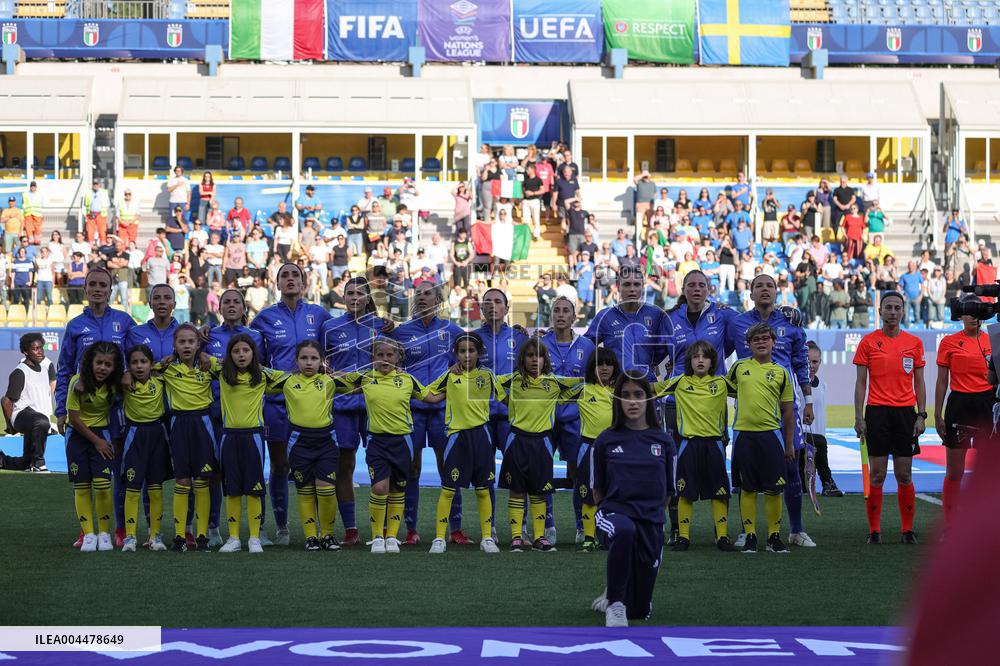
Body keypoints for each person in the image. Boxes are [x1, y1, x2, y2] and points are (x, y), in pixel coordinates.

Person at [727, 274, 814, 549]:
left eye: (770, 286)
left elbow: (801, 361)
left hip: (785, 406)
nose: (764, 290)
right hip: (751, 407)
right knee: (746, 473)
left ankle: (795, 530)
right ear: (750, 293)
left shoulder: (791, 321)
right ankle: (747, 531)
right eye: (759, 286)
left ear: (778, 292)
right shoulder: (736, 322)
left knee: (791, 466)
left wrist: (808, 399)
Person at [55, 268, 135, 548]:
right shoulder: (76, 325)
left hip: (117, 409)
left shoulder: (124, 321)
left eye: (103, 284)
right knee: (85, 473)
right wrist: (61, 410)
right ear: (85, 289)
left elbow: (139, 357)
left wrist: (127, 373)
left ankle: (120, 528)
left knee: (118, 470)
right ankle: (87, 529)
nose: (98, 289)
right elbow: (64, 368)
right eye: (93, 285)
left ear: (111, 289)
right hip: (83, 409)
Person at [590, 373, 673, 627]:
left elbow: (668, 491)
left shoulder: (664, 441)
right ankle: (614, 604)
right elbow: (597, 490)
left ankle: (616, 587)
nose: (633, 402)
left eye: (639, 395)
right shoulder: (605, 440)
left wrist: (653, 520)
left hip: (651, 518)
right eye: (625, 395)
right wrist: (610, 513)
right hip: (613, 514)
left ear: (649, 399)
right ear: (617, 400)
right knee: (624, 530)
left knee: (639, 611)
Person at [389, 282, 468, 545]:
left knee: (449, 467)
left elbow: (474, 353)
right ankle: (411, 530)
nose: (422, 298)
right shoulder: (401, 332)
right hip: (411, 409)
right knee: (412, 467)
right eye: (418, 294)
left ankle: (454, 529)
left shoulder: (452, 330)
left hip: (443, 409)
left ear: (438, 300)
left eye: (427, 294)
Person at [339, 338, 427, 554]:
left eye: (390, 355)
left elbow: (431, 396)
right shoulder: (366, 378)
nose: (385, 359)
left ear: (399, 358)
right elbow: (337, 382)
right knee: (379, 488)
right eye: (380, 355)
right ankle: (378, 535)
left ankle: (391, 537)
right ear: (372, 358)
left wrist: (455, 380)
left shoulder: (408, 380)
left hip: (403, 441)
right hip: (377, 441)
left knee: (398, 488)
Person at [853, 291, 925, 545]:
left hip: (906, 413)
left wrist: (921, 415)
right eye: (888, 308)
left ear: (903, 312)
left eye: (897, 308)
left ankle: (907, 530)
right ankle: (874, 531)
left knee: (904, 475)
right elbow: (861, 383)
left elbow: (920, 382)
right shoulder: (868, 342)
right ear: (880, 311)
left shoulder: (914, 343)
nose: (892, 312)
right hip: (877, 412)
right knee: (877, 475)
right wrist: (858, 416)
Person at [422, 333, 505, 554]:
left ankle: (487, 537)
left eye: (471, 351)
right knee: (448, 489)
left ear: (480, 353)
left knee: (483, 489)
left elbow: (506, 398)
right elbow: (429, 395)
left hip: (482, 437)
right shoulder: (449, 376)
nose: (467, 355)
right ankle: (439, 538)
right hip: (457, 437)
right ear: (456, 353)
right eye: (462, 351)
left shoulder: (488, 376)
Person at [498, 339, 581, 553]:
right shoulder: (513, 380)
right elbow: (490, 380)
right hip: (517, 440)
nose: (535, 360)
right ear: (522, 359)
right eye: (530, 355)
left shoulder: (554, 383)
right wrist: (507, 401)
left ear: (545, 359)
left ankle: (539, 537)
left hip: (542, 442)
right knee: (516, 490)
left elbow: (583, 382)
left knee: (539, 491)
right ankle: (517, 537)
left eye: (539, 356)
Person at [319, 275, 383, 546]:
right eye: (349, 293)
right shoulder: (329, 327)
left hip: (377, 405)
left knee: (380, 465)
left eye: (360, 293)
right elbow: (318, 361)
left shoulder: (382, 326)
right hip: (342, 406)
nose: (354, 298)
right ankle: (352, 530)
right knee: (344, 466)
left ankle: (383, 532)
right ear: (342, 297)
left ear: (368, 298)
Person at [655, 341, 737, 552]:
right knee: (684, 492)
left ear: (712, 361)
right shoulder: (679, 382)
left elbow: (749, 389)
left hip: (714, 445)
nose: (700, 360)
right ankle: (683, 537)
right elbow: (649, 389)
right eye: (695, 357)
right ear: (689, 361)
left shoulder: (721, 383)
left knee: (719, 492)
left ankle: (722, 537)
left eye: (705, 357)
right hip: (688, 445)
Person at [213, 333, 286, 554]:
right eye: (236, 351)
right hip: (229, 437)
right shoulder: (221, 373)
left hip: (253, 437)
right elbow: (204, 358)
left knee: (255, 490)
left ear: (253, 353)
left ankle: (255, 537)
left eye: (246, 350)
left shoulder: (263, 375)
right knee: (233, 490)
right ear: (229, 355)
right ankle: (234, 538)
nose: (241, 355)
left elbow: (293, 378)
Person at [726, 323, 795, 554]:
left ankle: (774, 537)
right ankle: (751, 536)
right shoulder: (738, 367)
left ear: (773, 342)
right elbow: (727, 391)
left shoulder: (781, 372)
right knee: (747, 488)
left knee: (775, 489)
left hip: (771, 437)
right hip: (744, 435)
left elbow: (787, 411)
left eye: (766, 338)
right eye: (756, 339)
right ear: (749, 344)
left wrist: (788, 444)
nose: (761, 342)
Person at [157, 324, 218, 552]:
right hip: (178, 425)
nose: (186, 346)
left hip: (203, 424)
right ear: (175, 345)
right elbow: (139, 370)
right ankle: (180, 536)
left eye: (191, 342)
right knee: (182, 481)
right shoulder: (165, 367)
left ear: (198, 345)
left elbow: (233, 370)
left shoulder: (208, 364)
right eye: (181, 342)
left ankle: (202, 537)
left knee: (202, 481)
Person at [540, 296, 596, 545]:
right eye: (556, 310)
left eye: (566, 311)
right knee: (543, 472)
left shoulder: (588, 346)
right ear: (551, 315)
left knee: (578, 473)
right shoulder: (539, 344)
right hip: (545, 417)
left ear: (575, 317)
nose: (561, 314)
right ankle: (547, 525)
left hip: (576, 419)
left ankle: (582, 526)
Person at [279, 341, 342, 552]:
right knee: (305, 490)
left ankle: (328, 535)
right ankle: (311, 537)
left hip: (326, 441)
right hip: (299, 442)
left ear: (322, 361)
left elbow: (362, 380)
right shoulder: (286, 381)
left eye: (314, 358)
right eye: (304, 358)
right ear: (296, 361)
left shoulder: (330, 381)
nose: (309, 362)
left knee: (326, 489)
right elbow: (258, 376)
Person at [935, 301, 993, 524]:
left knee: (988, 470)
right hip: (959, 405)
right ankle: (950, 524)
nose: (974, 317)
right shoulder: (949, 342)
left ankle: (985, 524)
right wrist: (938, 415)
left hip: (987, 404)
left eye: (978, 312)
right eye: (969, 313)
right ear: (960, 316)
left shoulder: (993, 340)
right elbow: (942, 382)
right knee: (954, 471)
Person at [65, 341, 122, 552]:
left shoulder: (114, 384)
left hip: (102, 434)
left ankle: (104, 533)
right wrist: (96, 441)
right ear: (90, 362)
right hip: (79, 436)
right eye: (99, 363)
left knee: (103, 485)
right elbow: (75, 419)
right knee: (81, 486)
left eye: (108, 365)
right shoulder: (76, 383)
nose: (103, 368)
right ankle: (89, 534)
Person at [119, 345, 171, 552]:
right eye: (134, 362)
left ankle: (155, 536)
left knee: (156, 489)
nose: (139, 366)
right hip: (134, 436)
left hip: (158, 435)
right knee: (132, 489)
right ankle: (130, 537)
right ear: (128, 365)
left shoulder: (160, 378)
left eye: (143, 362)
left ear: (151, 364)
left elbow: (169, 362)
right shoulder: (123, 383)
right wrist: (124, 374)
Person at [0, 332, 55, 472]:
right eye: (35, 349)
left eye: (41, 348)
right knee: (41, 421)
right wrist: (10, 425)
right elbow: (6, 400)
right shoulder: (20, 372)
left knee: (26, 461)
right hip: (23, 416)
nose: (40, 351)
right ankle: (39, 463)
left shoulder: (44, 370)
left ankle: (3, 461)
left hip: (37, 421)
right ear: (25, 351)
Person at [804, 341, 843, 499]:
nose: (811, 365)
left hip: (818, 435)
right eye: (808, 361)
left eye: (815, 361)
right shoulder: (794, 382)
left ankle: (827, 483)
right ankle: (827, 481)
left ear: (820, 361)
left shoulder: (822, 385)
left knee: (819, 443)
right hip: (800, 435)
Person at [83, 180, 110, 246]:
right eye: (94, 184)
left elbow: (108, 204)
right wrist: (86, 214)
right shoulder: (88, 193)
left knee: (102, 231)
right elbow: (84, 204)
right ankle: (91, 245)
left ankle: (103, 245)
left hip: (101, 214)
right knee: (90, 231)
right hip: (91, 214)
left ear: (99, 185)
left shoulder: (104, 192)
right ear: (92, 185)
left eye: (97, 184)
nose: (95, 185)